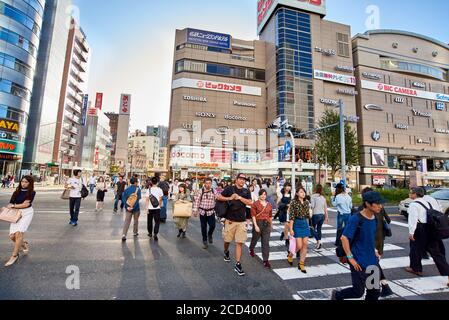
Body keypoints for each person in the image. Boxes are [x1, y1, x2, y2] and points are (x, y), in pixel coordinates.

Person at [331, 191, 385, 300]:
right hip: (358, 262)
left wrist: (374, 250)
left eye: (381, 203)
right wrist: (350, 258)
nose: (380, 206)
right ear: (368, 204)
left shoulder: (375, 218)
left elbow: (369, 237)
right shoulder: (356, 219)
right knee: (358, 292)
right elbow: (344, 238)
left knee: (374, 292)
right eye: (377, 203)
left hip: (372, 261)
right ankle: (337, 295)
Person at [406, 187, 449, 287]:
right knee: (437, 254)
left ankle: (416, 269)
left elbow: (413, 219)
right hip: (430, 229)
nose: (409, 194)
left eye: (411, 193)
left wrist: (411, 233)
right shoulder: (427, 203)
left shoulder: (414, 204)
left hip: (420, 229)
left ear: (415, 194)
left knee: (415, 249)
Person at [217, 173, 253, 276]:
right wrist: (230, 198)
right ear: (236, 180)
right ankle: (226, 251)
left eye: (244, 179)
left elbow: (250, 202)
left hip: (241, 221)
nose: (242, 181)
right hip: (230, 220)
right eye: (240, 179)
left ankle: (238, 264)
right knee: (227, 240)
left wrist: (239, 198)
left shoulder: (246, 191)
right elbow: (219, 197)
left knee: (239, 242)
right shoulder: (229, 189)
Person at [4, 176, 36, 267]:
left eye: (26, 182)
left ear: (30, 183)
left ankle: (14, 256)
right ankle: (24, 244)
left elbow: (26, 205)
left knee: (19, 233)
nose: (24, 183)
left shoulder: (32, 192)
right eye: (22, 182)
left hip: (27, 213)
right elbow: (11, 203)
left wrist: (13, 206)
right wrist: (11, 206)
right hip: (16, 214)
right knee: (12, 237)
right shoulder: (16, 192)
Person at [287, 188, 311, 273]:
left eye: (304, 192)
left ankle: (301, 264)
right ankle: (290, 255)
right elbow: (291, 217)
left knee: (305, 245)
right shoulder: (293, 202)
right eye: (301, 192)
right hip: (296, 224)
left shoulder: (307, 202)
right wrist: (291, 229)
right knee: (299, 245)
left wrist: (308, 226)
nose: (303, 193)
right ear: (297, 193)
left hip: (305, 224)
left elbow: (308, 215)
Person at [249, 189, 273, 269]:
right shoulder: (255, 204)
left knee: (265, 242)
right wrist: (255, 225)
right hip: (258, 223)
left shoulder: (269, 205)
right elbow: (253, 215)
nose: (263, 196)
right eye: (262, 194)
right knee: (255, 239)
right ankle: (251, 248)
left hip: (267, 225)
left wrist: (271, 224)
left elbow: (270, 216)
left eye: (264, 194)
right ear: (259, 195)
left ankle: (266, 260)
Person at [193, 178, 218, 249]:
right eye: (206, 183)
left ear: (211, 183)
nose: (208, 184)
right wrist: (195, 210)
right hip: (202, 212)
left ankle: (210, 234)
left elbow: (218, 199)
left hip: (211, 212)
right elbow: (197, 201)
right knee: (203, 227)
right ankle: (204, 241)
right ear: (204, 183)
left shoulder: (214, 191)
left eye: (209, 183)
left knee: (212, 225)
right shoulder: (201, 191)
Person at [121, 177, 142, 241]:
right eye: (137, 182)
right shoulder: (138, 189)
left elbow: (124, 199)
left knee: (127, 221)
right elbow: (138, 199)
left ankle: (124, 234)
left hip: (128, 208)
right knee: (136, 221)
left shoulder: (127, 189)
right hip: (136, 208)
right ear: (135, 182)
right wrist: (133, 206)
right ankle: (135, 232)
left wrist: (127, 207)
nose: (137, 183)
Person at [310, 185, 329, 251]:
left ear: (315, 189)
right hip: (322, 215)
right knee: (319, 229)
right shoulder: (323, 197)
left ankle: (318, 241)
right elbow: (325, 208)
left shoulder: (313, 196)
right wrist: (326, 217)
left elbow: (312, 206)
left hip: (315, 215)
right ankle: (319, 242)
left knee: (311, 228)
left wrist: (310, 216)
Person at [146, 177, 164, 242]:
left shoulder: (149, 190)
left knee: (149, 221)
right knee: (157, 221)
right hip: (157, 208)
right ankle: (155, 233)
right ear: (157, 182)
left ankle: (150, 233)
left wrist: (147, 208)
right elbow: (161, 199)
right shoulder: (160, 190)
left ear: (151, 182)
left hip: (150, 208)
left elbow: (147, 200)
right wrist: (159, 205)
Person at [277, 184, 292, 250]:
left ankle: (283, 233)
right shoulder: (281, 194)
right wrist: (285, 204)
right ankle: (286, 240)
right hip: (284, 211)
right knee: (286, 225)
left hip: (290, 211)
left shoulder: (292, 194)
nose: (288, 187)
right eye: (287, 186)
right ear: (285, 187)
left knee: (288, 226)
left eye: (289, 186)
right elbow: (278, 203)